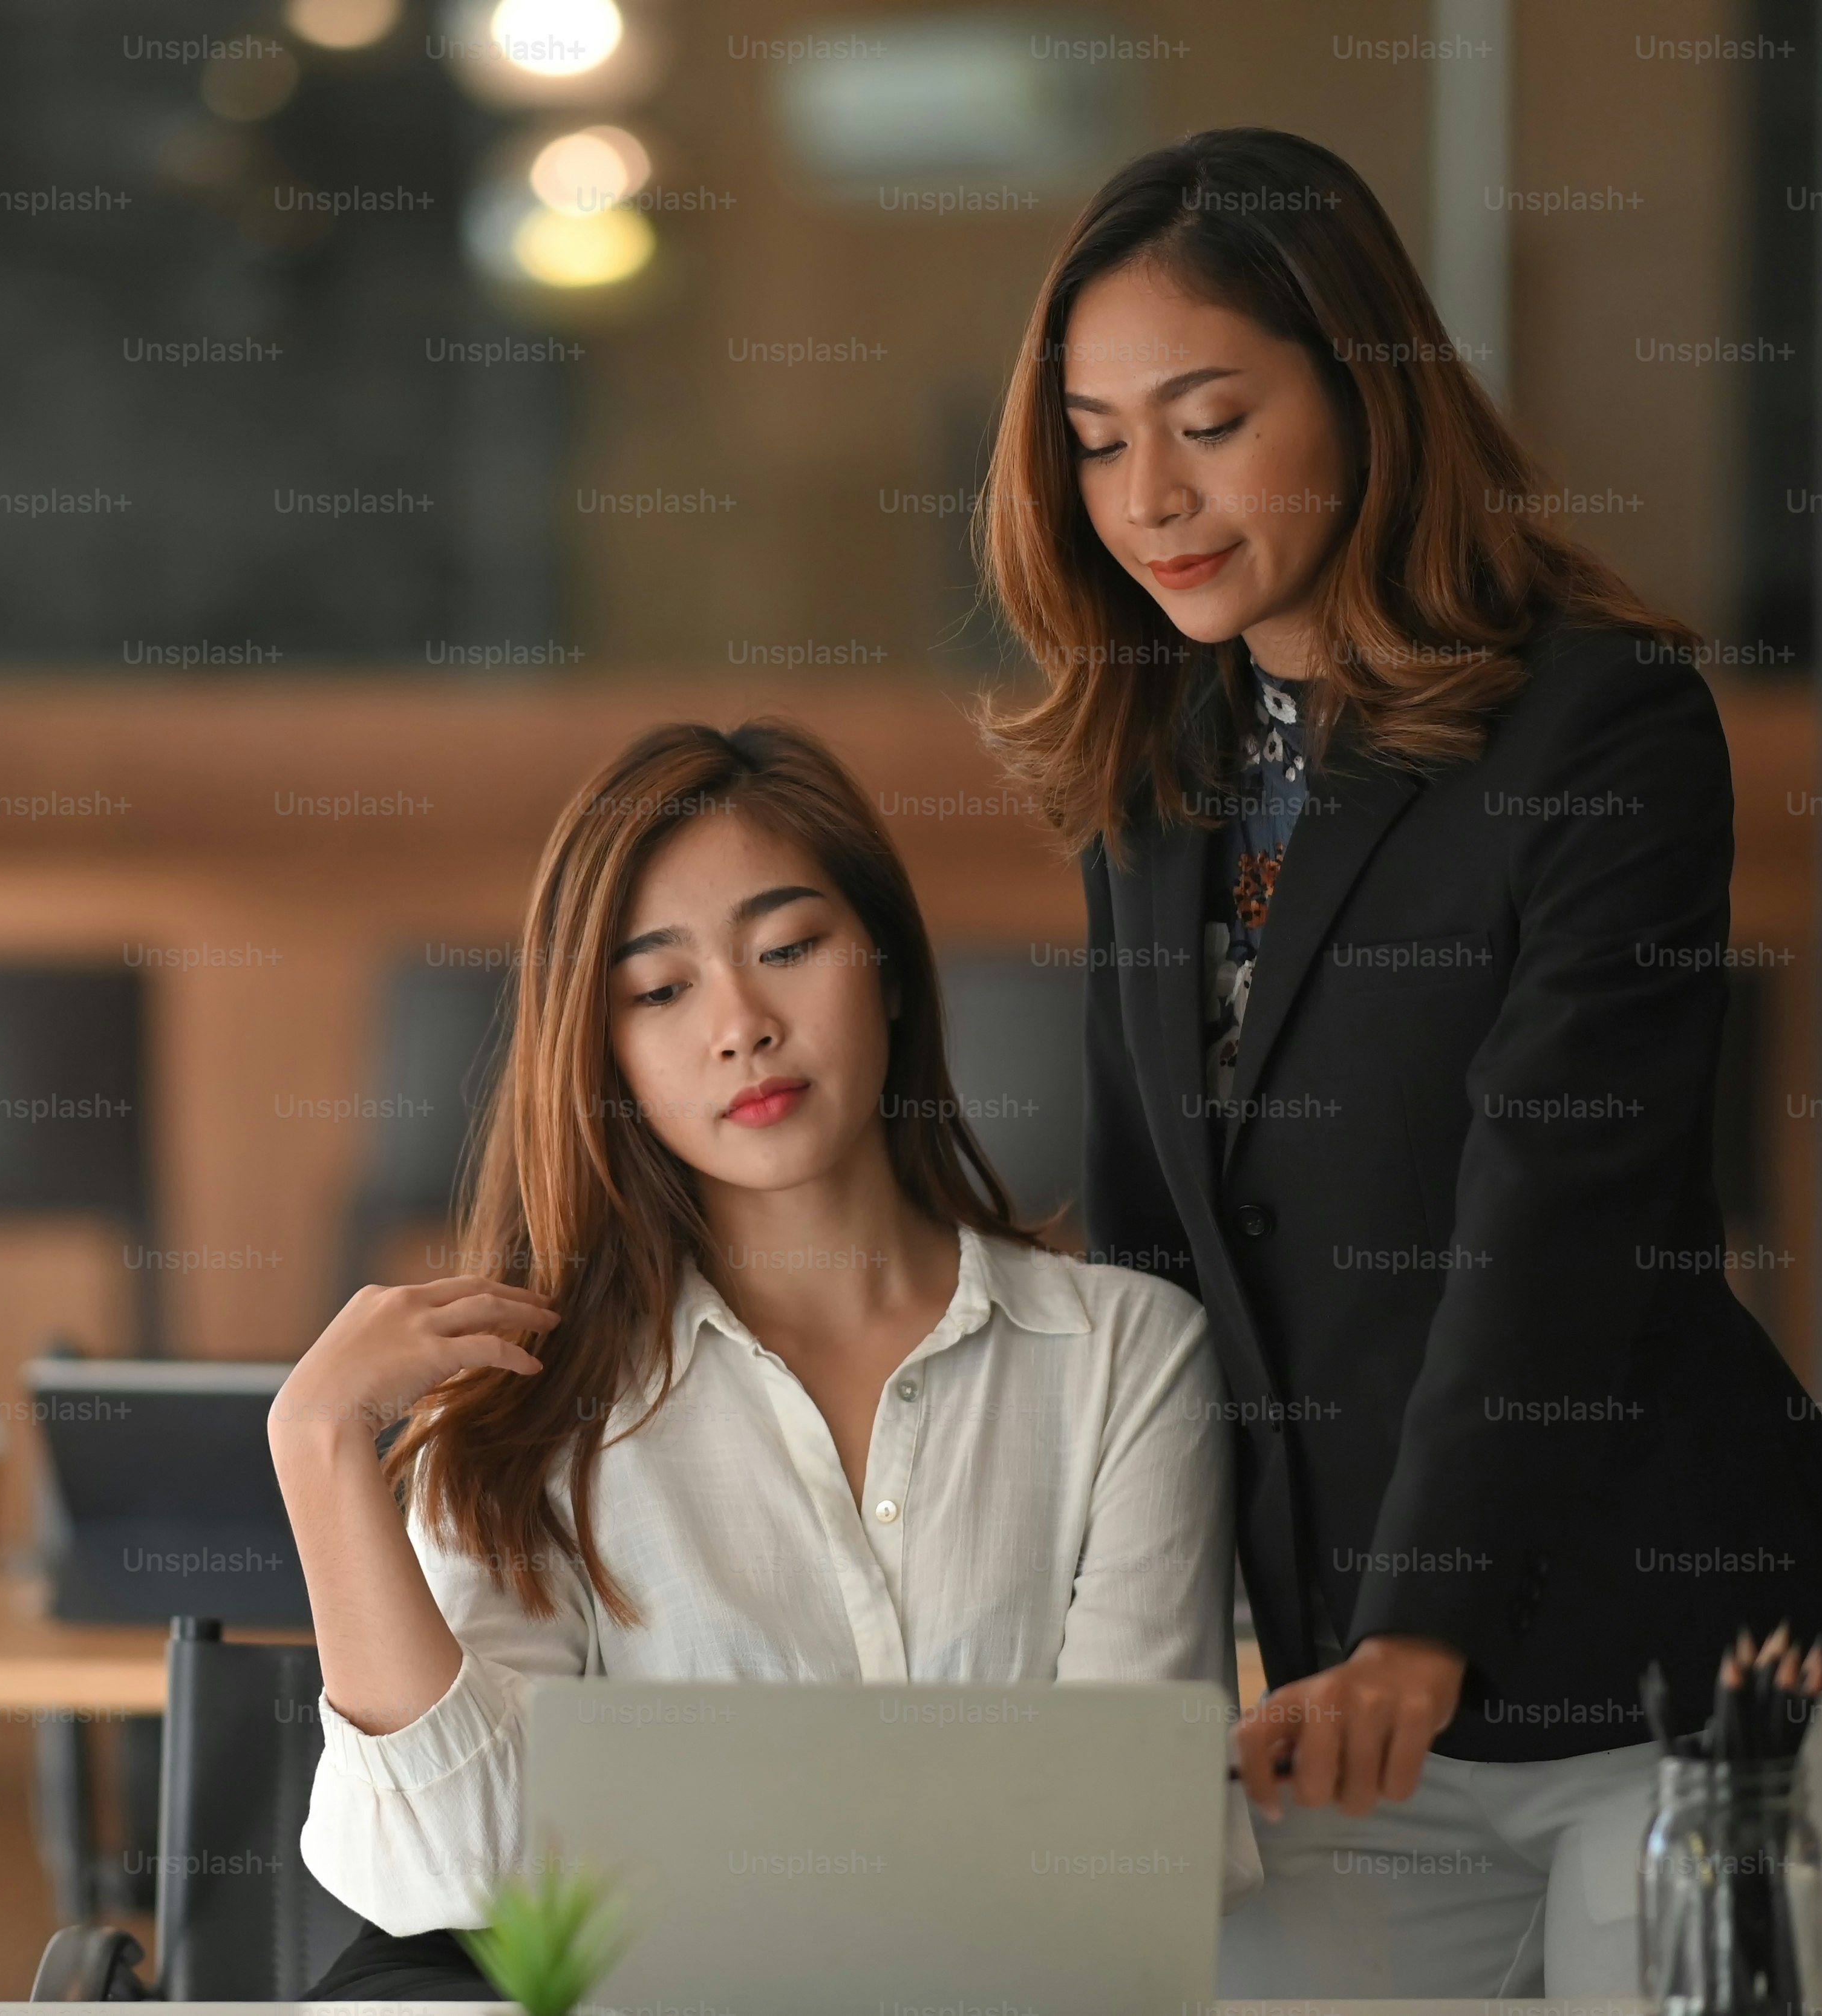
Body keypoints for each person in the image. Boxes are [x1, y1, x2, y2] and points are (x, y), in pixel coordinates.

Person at [972, 127, 1822, 1994]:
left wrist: (1425, 1629)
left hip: (1671, 1675)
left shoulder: (1605, 725)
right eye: (1097, 439)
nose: (1148, 493)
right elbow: (1153, 1270)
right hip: (1341, 1708)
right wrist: (1129, 1691)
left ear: (1365, 388)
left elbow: (1555, 1214)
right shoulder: (1159, 770)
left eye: (1208, 418)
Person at [273, 718, 1241, 2000]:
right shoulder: (531, 1406)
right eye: (659, 990)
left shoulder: (1125, 1359)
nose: (741, 1024)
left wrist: (671, 1839)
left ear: (888, 969)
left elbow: (1125, 1856)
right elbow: (457, 1884)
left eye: (788, 947)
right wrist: (320, 1448)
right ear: (603, 1050)